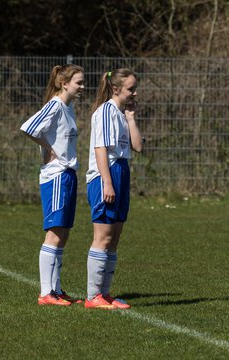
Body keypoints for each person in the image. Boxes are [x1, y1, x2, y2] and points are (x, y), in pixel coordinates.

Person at [20, 64, 84, 306]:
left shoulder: (68, 107)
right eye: (78, 82)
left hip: (67, 174)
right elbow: (28, 127)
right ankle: (46, 293)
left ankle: (56, 290)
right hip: (56, 175)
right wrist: (50, 150)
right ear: (64, 83)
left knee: (63, 233)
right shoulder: (56, 105)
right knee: (55, 233)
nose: (82, 86)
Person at [85, 68, 144, 309]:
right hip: (106, 174)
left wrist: (131, 118)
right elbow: (101, 150)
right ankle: (93, 296)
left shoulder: (121, 114)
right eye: (131, 89)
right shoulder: (105, 112)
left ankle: (105, 294)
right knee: (103, 237)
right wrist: (107, 182)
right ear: (116, 88)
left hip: (121, 170)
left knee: (115, 238)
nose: (135, 93)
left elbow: (138, 146)